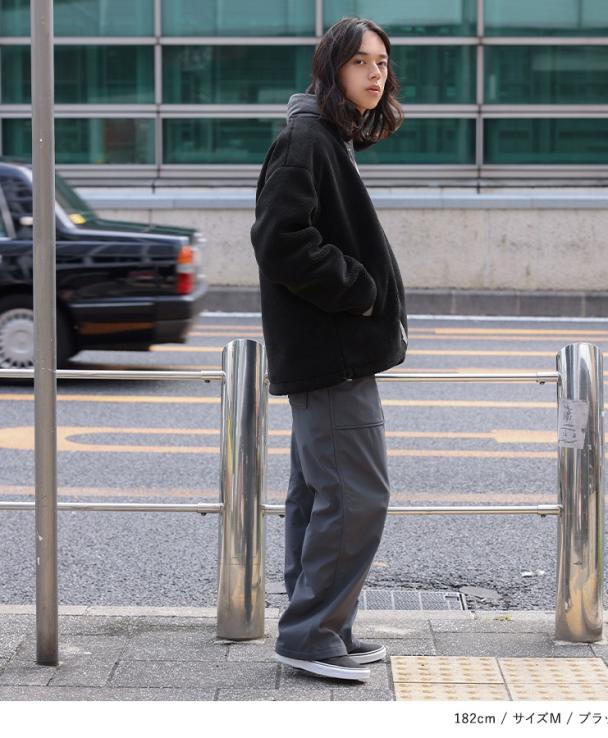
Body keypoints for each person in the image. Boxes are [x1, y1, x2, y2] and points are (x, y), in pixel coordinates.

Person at [250, 17, 408, 683]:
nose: (375, 74)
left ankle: (322, 626)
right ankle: (312, 634)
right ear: (332, 68)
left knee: (320, 497)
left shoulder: (326, 138)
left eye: (382, 62)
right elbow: (280, 240)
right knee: (356, 497)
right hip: (332, 354)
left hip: (330, 353)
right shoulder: (307, 138)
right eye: (360, 62)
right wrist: (361, 291)